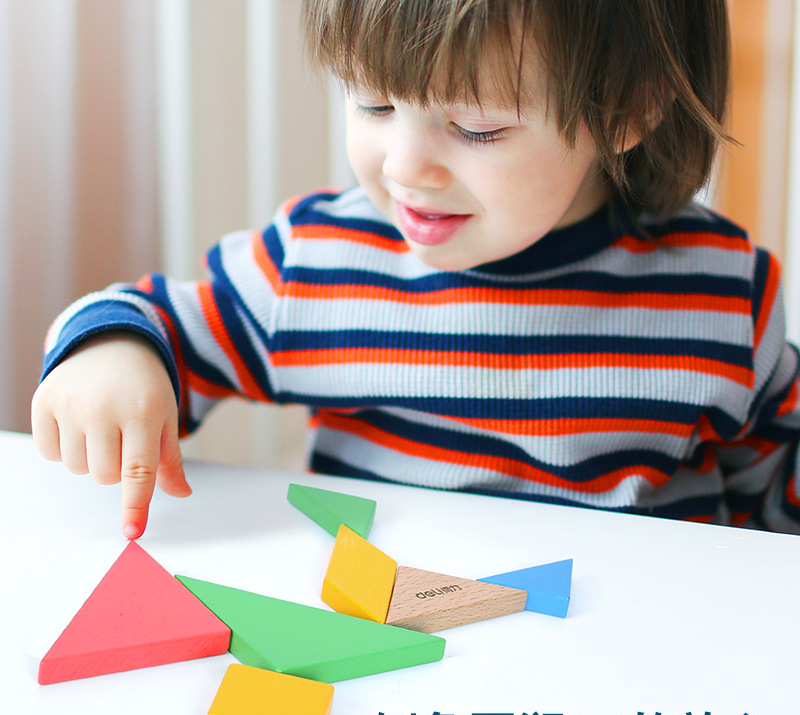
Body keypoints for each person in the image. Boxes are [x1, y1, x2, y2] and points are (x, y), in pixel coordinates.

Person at [30, 0, 800, 538]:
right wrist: (112, 354)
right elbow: (159, 321)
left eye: (476, 127)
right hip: (387, 653)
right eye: (373, 104)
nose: (404, 166)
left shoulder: (723, 296)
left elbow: (775, 503)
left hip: (620, 667)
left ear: (630, 110)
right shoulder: (317, 263)